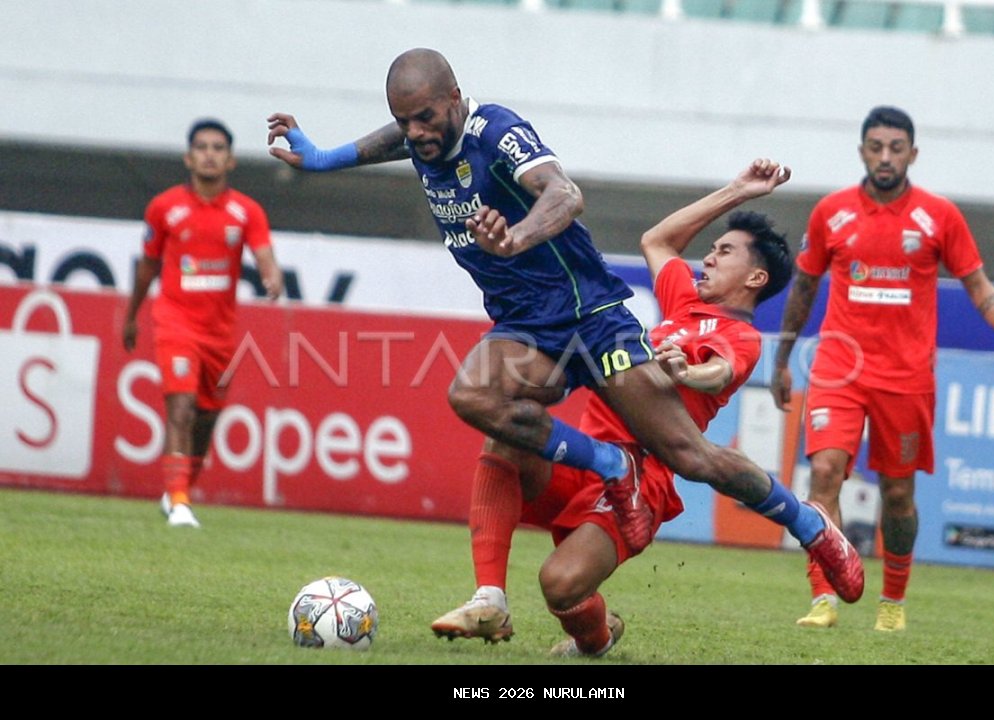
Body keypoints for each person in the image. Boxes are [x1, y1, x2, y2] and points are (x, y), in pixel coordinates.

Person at [267, 48, 862, 611]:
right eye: (405, 121)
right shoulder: (422, 137)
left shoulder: (495, 130)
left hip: (590, 316)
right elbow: (398, 139)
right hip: (527, 325)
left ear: (456, 98)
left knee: (691, 456)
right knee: (472, 397)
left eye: (426, 117)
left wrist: (517, 238)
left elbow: (565, 193)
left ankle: (811, 526)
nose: (417, 133)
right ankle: (603, 473)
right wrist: (321, 158)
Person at [431, 159, 795, 655]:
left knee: (560, 585)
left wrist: (689, 373)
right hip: (589, 460)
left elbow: (722, 369)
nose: (707, 259)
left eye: (723, 251)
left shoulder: (743, 336)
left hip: (644, 481)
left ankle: (596, 640)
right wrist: (736, 191)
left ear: (755, 277)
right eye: (711, 250)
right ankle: (489, 598)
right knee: (506, 428)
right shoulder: (684, 304)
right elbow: (658, 240)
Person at [770, 106, 994, 632]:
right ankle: (824, 597)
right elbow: (803, 287)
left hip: (906, 378)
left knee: (897, 494)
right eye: (875, 146)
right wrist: (781, 358)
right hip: (840, 368)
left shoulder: (939, 216)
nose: (885, 157)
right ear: (862, 150)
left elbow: (978, 285)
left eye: (895, 148)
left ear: (912, 154)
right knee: (823, 473)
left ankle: (892, 600)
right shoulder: (831, 213)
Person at [124, 118, 284, 529]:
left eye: (217, 148)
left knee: (207, 418)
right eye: (202, 147)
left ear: (229, 160)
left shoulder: (245, 211)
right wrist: (131, 315)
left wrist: (272, 275)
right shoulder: (164, 208)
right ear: (188, 157)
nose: (209, 154)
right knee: (180, 406)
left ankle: (178, 494)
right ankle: (179, 502)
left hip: (220, 332)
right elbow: (147, 267)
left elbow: (264, 252)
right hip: (174, 321)